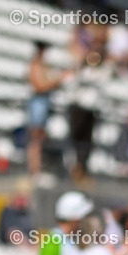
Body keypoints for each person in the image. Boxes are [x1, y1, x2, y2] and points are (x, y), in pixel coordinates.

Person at [27, 41, 73, 179]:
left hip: (42, 103)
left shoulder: (42, 66)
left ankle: (37, 170)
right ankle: (34, 171)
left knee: (40, 138)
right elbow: (39, 86)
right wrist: (58, 80)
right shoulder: (35, 65)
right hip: (38, 102)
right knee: (36, 138)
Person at [0, 178, 35, 245]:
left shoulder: (26, 213)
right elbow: (11, 233)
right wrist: (26, 244)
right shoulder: (9, 212)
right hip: (9, 250)